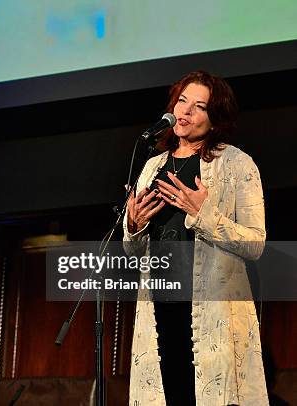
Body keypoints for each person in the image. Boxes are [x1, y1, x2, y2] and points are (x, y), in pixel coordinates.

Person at [123, 71, 268, 405]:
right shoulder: (152, 166)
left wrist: (203, 215)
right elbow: (134, 251)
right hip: (160, 306)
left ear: (215, 119)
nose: (185, 112)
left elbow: (255, 244)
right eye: (182, 101)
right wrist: (134, 225)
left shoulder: (236, 164)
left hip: (209, 310)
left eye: (199, 106)